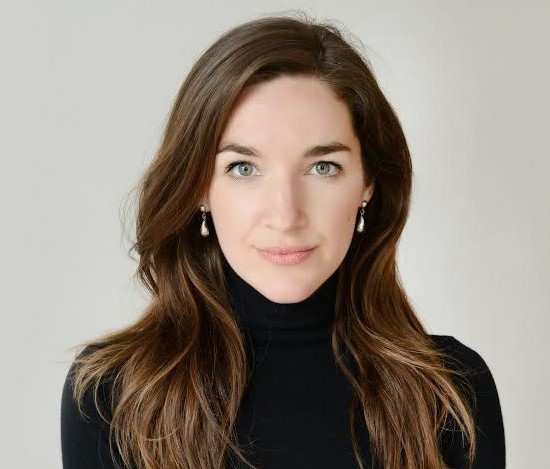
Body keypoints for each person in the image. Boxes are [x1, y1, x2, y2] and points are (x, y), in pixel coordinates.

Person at [60, 13, 505, 469]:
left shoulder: (451, 391)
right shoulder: (111, 394)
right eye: (243, 168)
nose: (285, 215)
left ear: (368, 182)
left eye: (323, 167)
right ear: (199, 188)